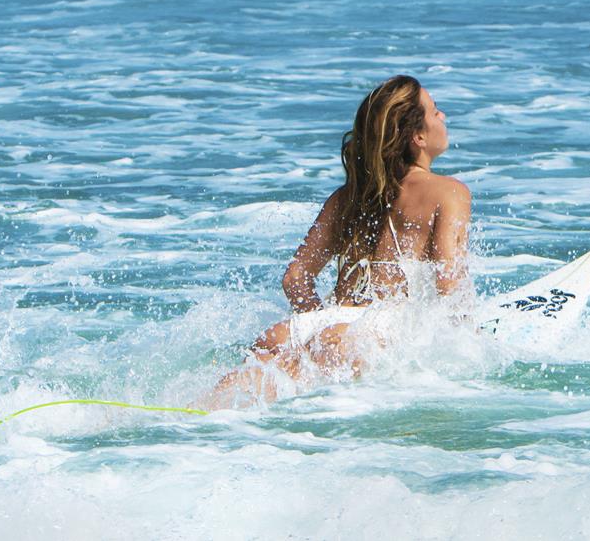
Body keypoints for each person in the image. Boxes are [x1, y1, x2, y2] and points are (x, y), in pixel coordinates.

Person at [197, 75, 471, 409]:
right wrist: (468, 343)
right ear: (418, 137)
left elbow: (295, 277)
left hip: (307, 326)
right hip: (369, 335)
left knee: (234, 394)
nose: (442, 116)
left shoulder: (347, 197)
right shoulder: (449, 192)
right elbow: (449, 286)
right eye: (435, 110)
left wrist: (321, 324)